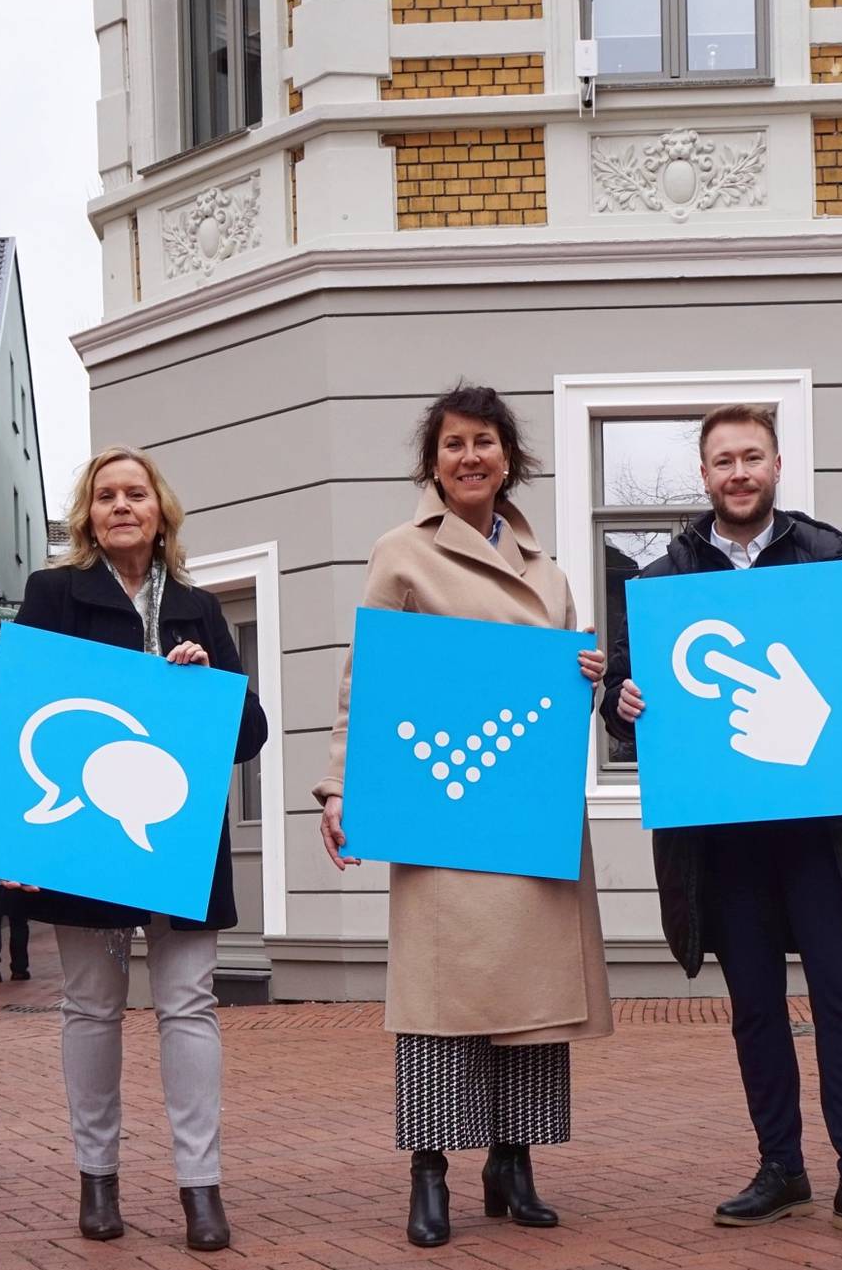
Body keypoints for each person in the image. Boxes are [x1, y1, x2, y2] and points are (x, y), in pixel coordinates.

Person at [599, 403, 842, 1246]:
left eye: (752, 456)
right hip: (725, 838)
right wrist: (622, 702)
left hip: (823, 830)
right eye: (722, 460)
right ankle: (781, 1165)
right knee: (754, 1006)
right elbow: (624, 703)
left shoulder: (832, 557)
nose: (738, 472)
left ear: (776, 464)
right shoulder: (663, 578)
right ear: (703, 476)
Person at [315, 385, 613, 1249]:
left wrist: (583, 679)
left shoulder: (549, 570)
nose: (469, 456)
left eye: (484, 441)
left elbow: (559, 709)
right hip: (440, 811)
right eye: (453, 444)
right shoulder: (401, 554)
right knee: (441, 996)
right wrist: (340, 788)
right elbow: (364, 677)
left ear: (507, 458)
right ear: (433, 461)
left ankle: (512, 1162)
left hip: (526, 811)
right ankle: (431, 1169)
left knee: (531, 996)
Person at [4, 446, 268, 1254]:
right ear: (88, 513)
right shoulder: (53, 595)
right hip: (83, 834)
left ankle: (201, 1185)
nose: (122, 506)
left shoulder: (197, 605)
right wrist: (17, 836)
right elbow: (24, 713)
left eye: (136, 493)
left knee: (188, 1006)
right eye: (106, 495)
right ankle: (97, 1178)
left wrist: (206, 685)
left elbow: (247, 733)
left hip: (179, 839)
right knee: (90, 1006)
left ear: (161, 511)